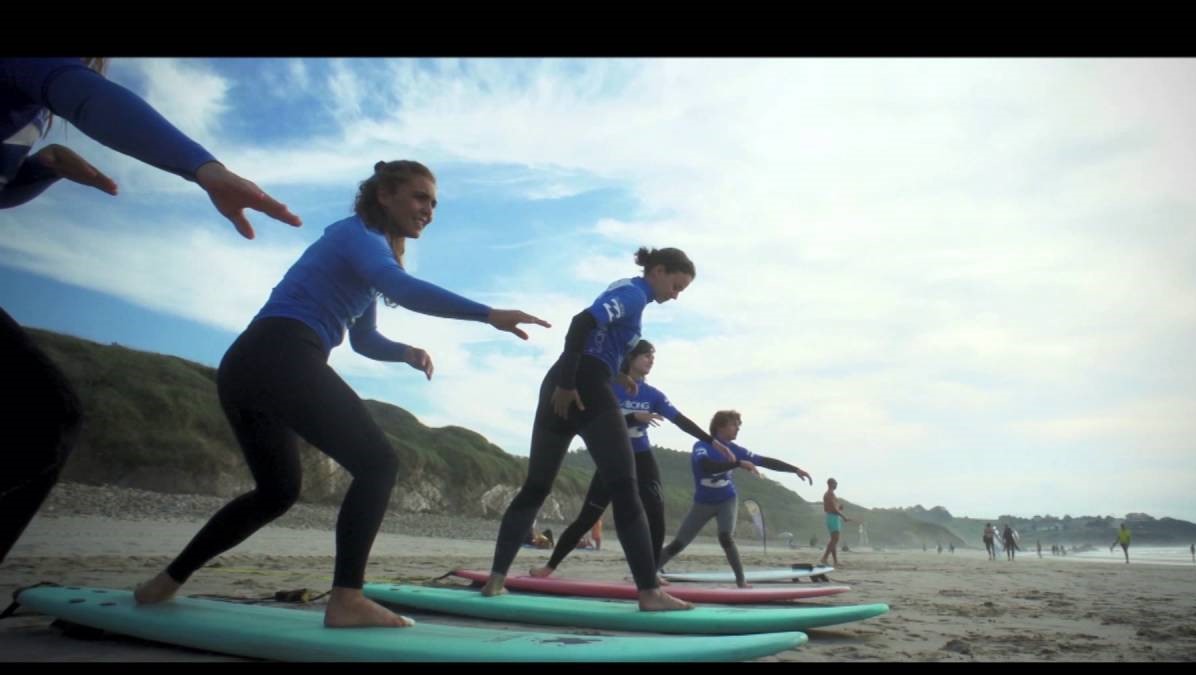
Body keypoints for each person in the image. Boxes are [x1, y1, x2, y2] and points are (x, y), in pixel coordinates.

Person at [134, 160, 549, 628]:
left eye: (433, 203)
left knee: (277, 491)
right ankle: (347, 597)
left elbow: (363, 339)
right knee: (379, 463)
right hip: (282, 352)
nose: (428, 210)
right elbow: (404, 289)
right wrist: (488, 314)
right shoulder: (358, 238)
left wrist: (406, 353)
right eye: (419, 197)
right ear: (383, 196)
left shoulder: (366, 253)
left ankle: (164, 583)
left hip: (250, 363)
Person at [0, 57, 301, 566]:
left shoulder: (32, 108)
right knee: (45, 416)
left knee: (46, 416)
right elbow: (87, 96)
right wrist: (205, 168)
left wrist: (44, 169)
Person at [481, 248, 700, 612]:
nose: (675, 295)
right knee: (626, 489)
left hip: (564, 382)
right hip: (580, 386)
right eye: (676, 285)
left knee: (536, 486)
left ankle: (495, 581)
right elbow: (581, 324)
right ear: (658, 271)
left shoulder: (623, 291)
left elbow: (598, 343)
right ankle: (649, 593)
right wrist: (571, 384)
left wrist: (619, 375)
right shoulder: (634, 293)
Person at [530, 339, 731, 579]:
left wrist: (712, 441)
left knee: (656, 514)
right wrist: (635, 417)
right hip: (612, 457)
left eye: (652, 356)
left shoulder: (653, 394)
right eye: (646, 355)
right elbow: (596, 424)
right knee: (588, 517)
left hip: (641, 456)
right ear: (630, 358)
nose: (651, 360)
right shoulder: (608, 388)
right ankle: (549, 567)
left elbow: (680, 420)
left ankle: (652, 572)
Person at [656, 410, 812, 588]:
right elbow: (707, 467)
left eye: (739, 426)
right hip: (703, 503)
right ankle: (650, 572)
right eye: (734, 425)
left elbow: (764, 461)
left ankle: (741, 581)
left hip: (726, 500)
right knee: (679, 542)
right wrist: (737, 463)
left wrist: (794, 469)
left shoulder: (736, 450)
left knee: (725, 537)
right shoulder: (701, 446)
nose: (738, 429)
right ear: (720, 427)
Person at [819, 478, 851, 568]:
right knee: (834, 539)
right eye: (835, 483)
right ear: (830, 484)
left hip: (833, 517)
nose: (836, 485)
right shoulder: (829, 494)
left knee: (834, 540)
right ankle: (824, 558)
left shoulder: (831, 494)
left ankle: (835, 562)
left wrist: (839, 508)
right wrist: (843, 516)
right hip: (832, 517)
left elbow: (832, 508)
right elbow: (832, 509)